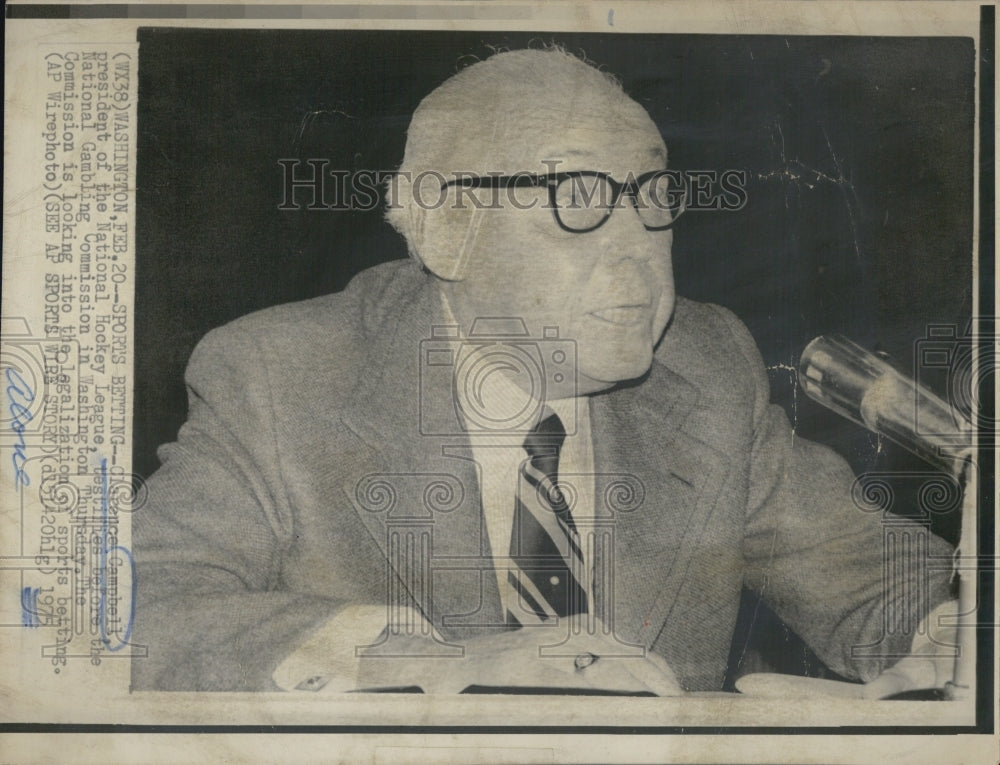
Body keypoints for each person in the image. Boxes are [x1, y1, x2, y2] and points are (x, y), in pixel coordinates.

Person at [132, 48, 956, 696]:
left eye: (653, 194)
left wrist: (949, 632)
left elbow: (871, 574)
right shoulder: (283, 375)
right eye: (579, 196)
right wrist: (415, 659)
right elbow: (131, 607)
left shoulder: (705, 368)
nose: (639, 245)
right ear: (444, 224)